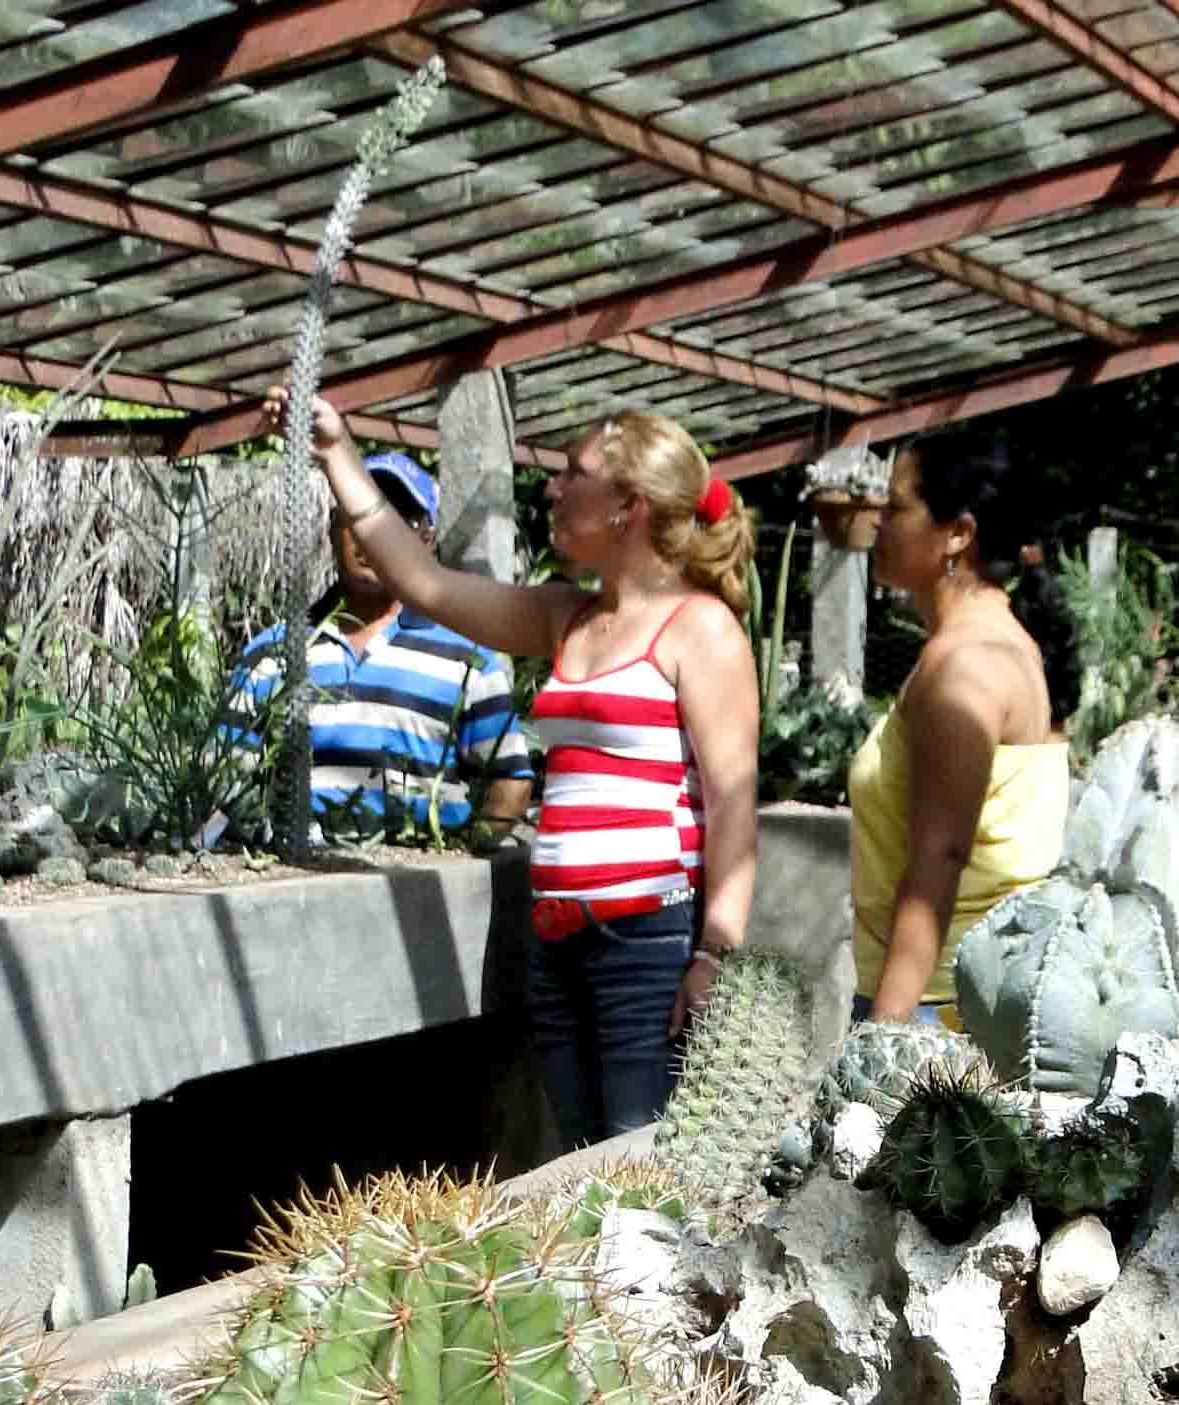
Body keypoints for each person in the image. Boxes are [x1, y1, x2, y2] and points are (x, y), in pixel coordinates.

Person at [259, 389, 759, 1151]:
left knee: (641, 1166)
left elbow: (731, 804)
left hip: (648, 942)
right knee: (585, 1164)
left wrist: (714, 952)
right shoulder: (569, 616)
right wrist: (335, 453)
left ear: (627, 504)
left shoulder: (702, 628)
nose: (552, 488)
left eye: (572, 472)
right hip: (558, 942)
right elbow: (426, 585)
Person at [850, 432, 1080, 1025]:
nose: (877, 521)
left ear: (959, 533)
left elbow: (939, 860)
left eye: (897, 507)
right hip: (960, 1003)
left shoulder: (966, 668)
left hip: (934, 1013)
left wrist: (885, 1034)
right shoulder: (988, 646)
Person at [221, 451, 532, 847]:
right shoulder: (274, 653)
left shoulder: (465, 658)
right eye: (358, 518)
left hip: (420, 889)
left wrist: (462, 854)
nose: (373, 537)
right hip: (295, 879)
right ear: (334, 528)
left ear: (425, 541)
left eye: (398, 523)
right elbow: (225, 777)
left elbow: (511, 778)